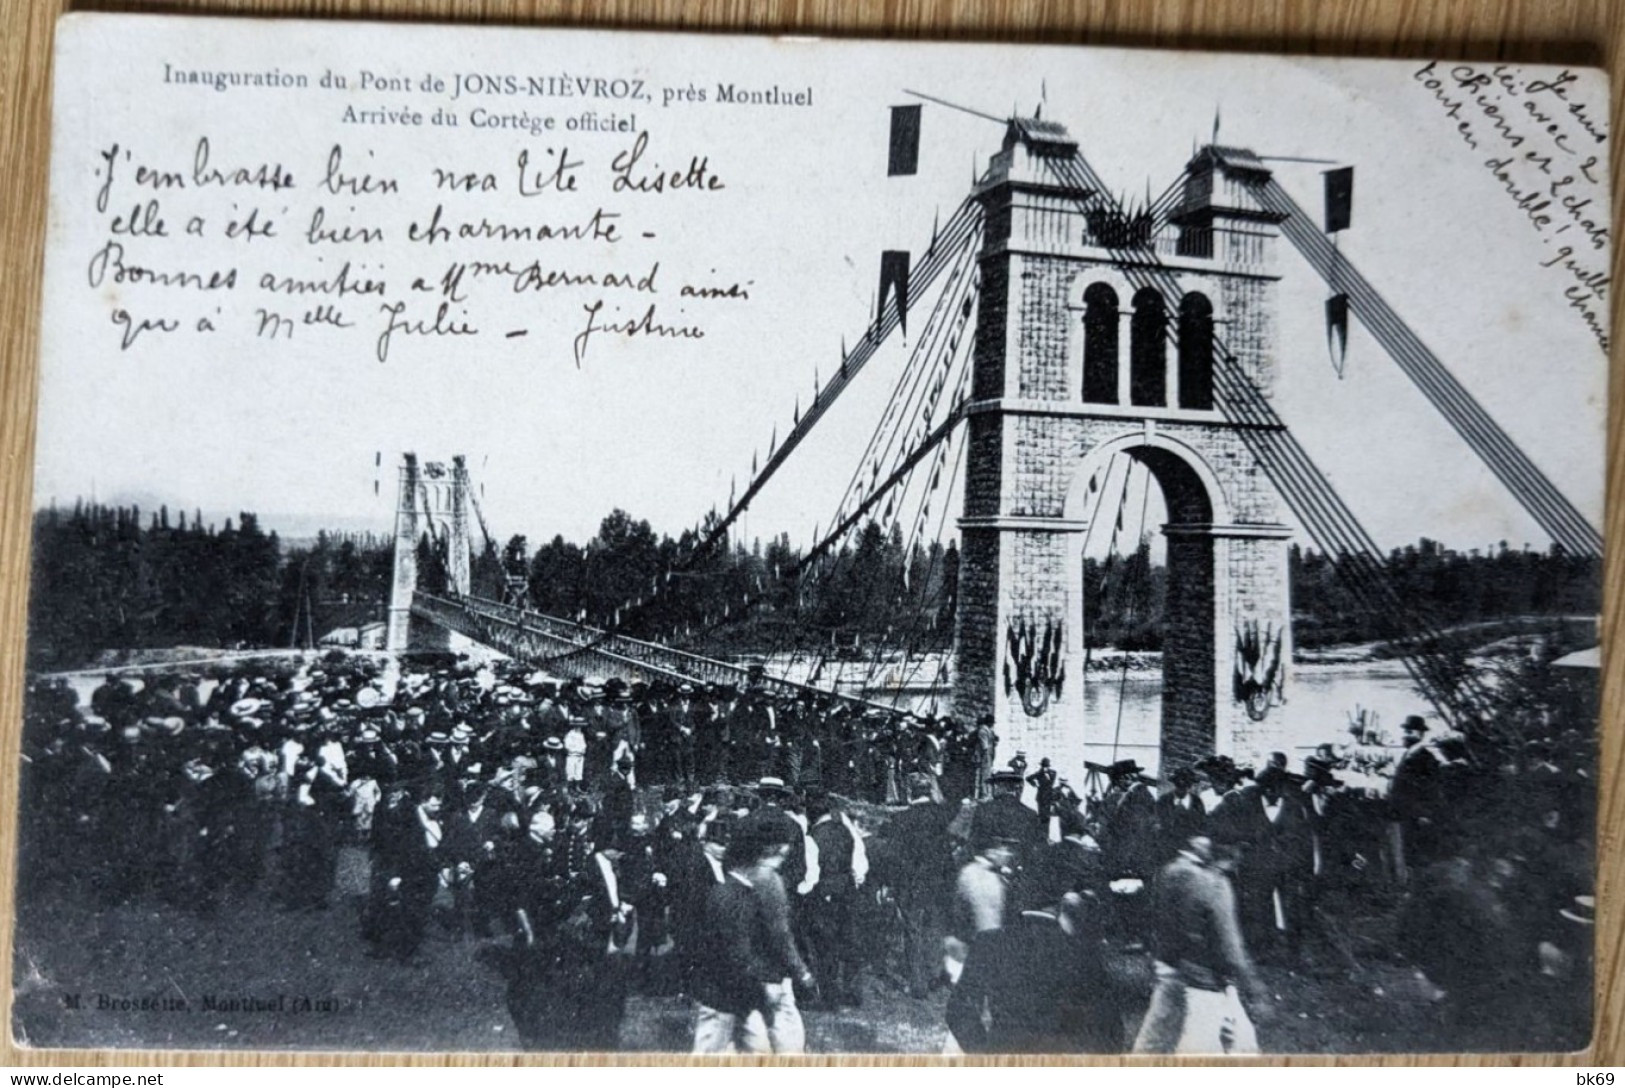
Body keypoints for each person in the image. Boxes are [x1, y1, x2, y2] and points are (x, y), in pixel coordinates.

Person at [1132, 833, 1272, 1054]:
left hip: (1169, 970)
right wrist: (1257, 993)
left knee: (1152, 1041)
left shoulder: (1169, 872)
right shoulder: (1215, 885)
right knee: (1218, 1047)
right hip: (1205, 982)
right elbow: (1231, 950)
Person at [947, 892, 1120, 1053]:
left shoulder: (989, 942)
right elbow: (1110, 1025)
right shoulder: (1080, 947)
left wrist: (984, 1052)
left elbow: (958, 1010)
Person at [881, 770, 957, 998]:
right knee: (934, 927)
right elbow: (946, 852)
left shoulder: (900, 818)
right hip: (937, 881)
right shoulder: (941, 815)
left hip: (910, 883)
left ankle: (918, 983)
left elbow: (893, 856)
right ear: (928, 790)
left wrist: (889, 883)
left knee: (913, 931)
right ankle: (934, 975)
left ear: (910, 791)